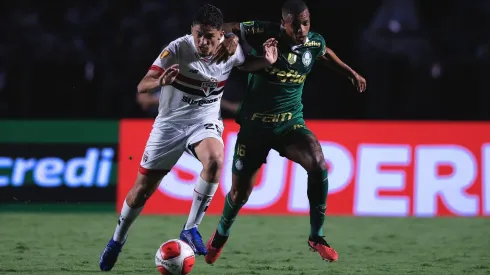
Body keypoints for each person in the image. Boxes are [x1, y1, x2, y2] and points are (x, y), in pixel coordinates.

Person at [99, 4, 279, 271]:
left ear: (220, 35)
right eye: (198, 34)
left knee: (216, 161)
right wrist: (160, 83)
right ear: (191, 32)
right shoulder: (177, 49)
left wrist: (267, 61)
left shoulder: (231, 50)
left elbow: (247, 63)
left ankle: (190, 228)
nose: (203, 41)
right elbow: (142, 84)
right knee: (141, 192)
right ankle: (116, 241)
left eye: (210, 36)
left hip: (204, 123)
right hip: (169, 126)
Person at [204, 0, 367, 265]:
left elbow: (324, 53)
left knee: (318, 165)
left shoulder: (313, 42)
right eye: (295, 24)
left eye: (305, 22)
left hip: (289, 124)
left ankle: (317, 236)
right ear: (283, 22)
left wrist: (350, 72)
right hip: (255, 126)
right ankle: (219, 237)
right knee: (239, 194)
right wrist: (232, 37)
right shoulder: (264, 33)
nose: (301, 29)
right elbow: (225, 26)